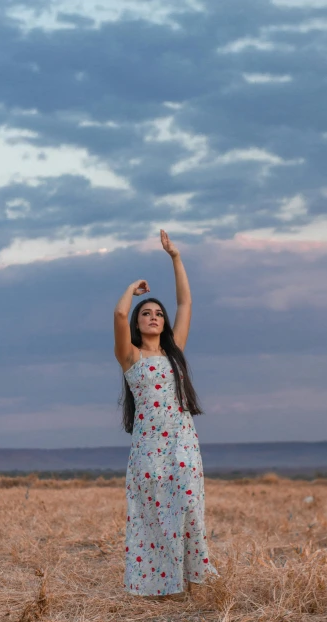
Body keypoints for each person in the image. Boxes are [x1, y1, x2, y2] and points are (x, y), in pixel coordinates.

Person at [114, 229, 217, 597]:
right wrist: (132, 289)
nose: (154, 317)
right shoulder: (131, 357)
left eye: (159, 314)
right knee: (153, 515)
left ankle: (193, 584)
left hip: (182, 444)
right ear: (138, 323)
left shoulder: (176, 353)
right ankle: (161, 587)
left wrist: (175, 257)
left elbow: (186, 305)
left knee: (188, 505)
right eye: (147, 313)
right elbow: (119, 311)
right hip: (147, 448)